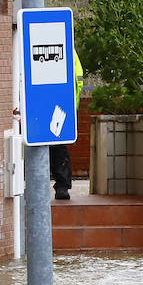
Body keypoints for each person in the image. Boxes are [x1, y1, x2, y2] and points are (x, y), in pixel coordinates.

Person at [51, 48, 84, 201]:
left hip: (58, 105)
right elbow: (78, 81)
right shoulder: (68, 47)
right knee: (57, 147)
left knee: (55, 147)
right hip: (62, 105)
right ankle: (62, 186)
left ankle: (62, 186)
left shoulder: (65, 47)